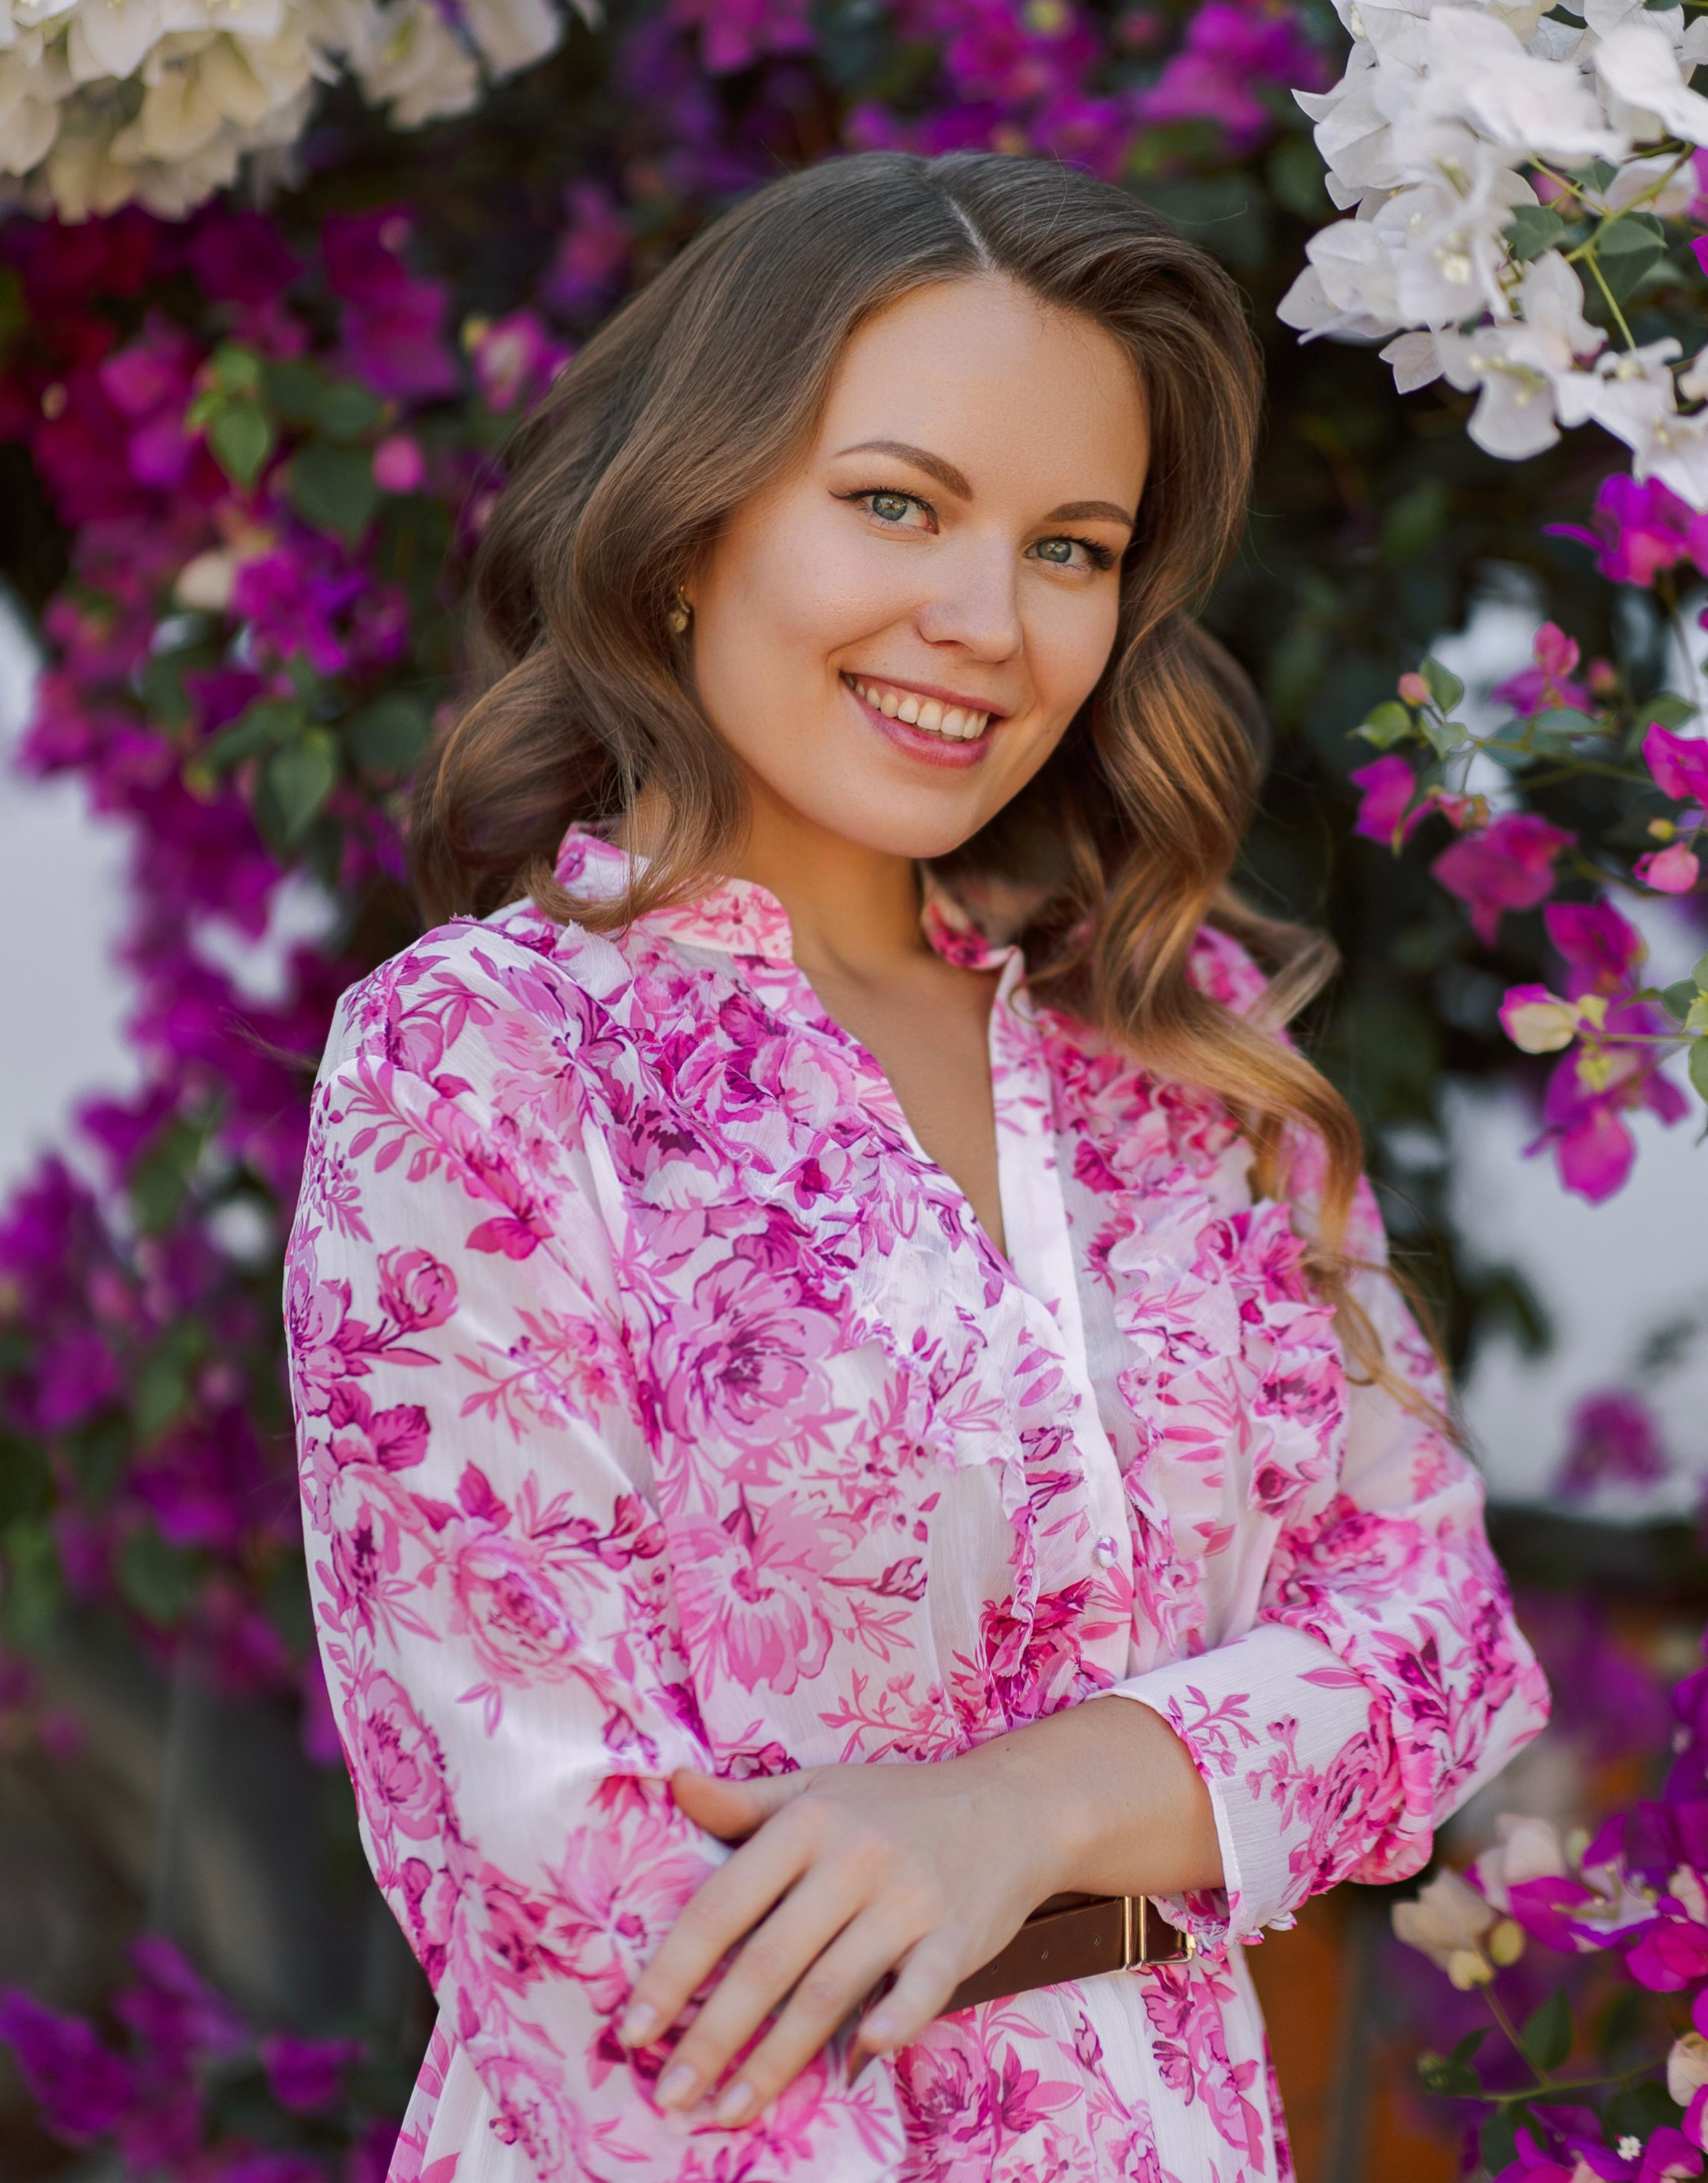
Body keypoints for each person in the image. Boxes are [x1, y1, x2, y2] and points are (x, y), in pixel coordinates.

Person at [285, 150, 1548, 2183]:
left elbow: (1436, 1649)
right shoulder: (492, 1060)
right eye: (898, 503)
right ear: (694, 527)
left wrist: (1021, 1810)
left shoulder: (1173, 1036)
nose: (984, 625)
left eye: (1073, 546)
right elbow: (567, 1883)